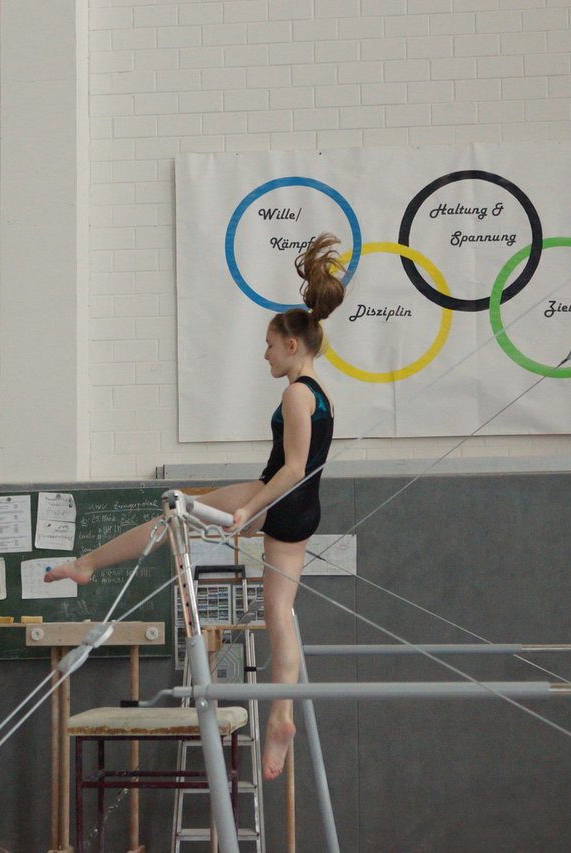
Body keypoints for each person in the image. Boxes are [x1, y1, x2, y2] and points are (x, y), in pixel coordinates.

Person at [47, 233, 346, 780]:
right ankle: (281, 718)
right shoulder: (321, 391)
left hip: (279, 497)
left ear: (291, 345)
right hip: (304, 513)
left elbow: (294, 468)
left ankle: (87, 564)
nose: (265, 354)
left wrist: (249, 510)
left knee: (176, 512)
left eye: (270, 345)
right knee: (279, 615)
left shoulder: (296, 393)